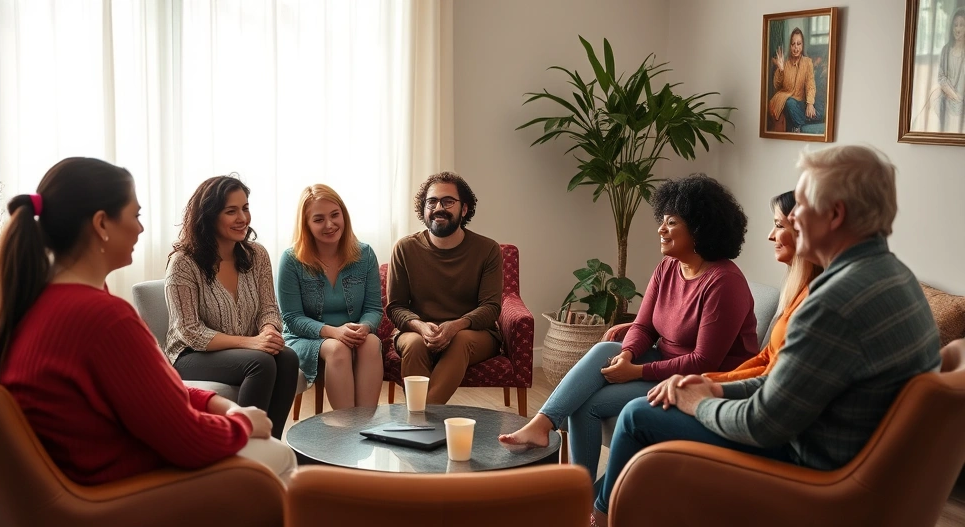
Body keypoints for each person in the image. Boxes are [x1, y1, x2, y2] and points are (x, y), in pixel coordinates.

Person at [590, 145, 941, 527]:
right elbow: (783, 382)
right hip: (839, 454)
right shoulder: (894, 277)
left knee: (638, 416)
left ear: (835, 215)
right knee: (653, 405)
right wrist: (716, 387)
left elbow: (763, 423)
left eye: (802, 206)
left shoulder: (833, 303)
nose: (790, 221)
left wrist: (697, 402)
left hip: (810, 474)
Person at [0, 158, 296, 489]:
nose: (141, 228)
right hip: (124, 498)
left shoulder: (35, 301)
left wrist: (216, 404)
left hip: (96, 486)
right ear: (102, 224)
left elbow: (152, 392)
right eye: (135, 215)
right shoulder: (104, 318)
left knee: (276, 392)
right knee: (279, 457)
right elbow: (187, 440)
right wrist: (240, 422)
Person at [499, 174, 758, 486]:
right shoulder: (669, 267)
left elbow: (704, 362)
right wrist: (628, 355)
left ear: (700, 227)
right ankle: (546, 427)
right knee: (607, 349)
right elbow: (644, 325)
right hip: (663, 363)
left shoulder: (723, 282)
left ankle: (587, 496)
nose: (661, 229)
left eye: (672, 222)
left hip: (700, 381)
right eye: (662, 220)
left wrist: (637, 372)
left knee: (588, 406)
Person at [165, 175, 298, 439]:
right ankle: (242, 446)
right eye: (231, 211)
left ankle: (269, 445)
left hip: (247, 348)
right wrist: (250, 343)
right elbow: (189, 331)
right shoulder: (183, 263)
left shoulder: (256, 254)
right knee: (260, 363)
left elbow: (269, 308)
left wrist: (269, 331)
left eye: (245, 208)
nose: (243, 218)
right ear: (209, 216)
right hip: (190, 355)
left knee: (287, 358)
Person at [386, 171, 502, 405]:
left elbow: (491, 307)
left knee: (460, 341)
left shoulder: (488, 249)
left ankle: (418, 421)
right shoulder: (405, 248)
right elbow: (396, 307)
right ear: (424, 208)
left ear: (465, 209)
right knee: (415, 344)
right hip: (416, 331)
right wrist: (419, 326)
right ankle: (424, 425)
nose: (439, 207)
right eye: (432, 201)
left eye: (448, 201)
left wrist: (455, 326)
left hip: (473, 334)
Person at [697, 191, 823, 384]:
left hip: (759, 400)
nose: (771, 236)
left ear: (804, 231)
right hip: (746, 390)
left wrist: (711, 386)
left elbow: (771, 378)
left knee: (638, 409)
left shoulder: (815, 301)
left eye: (779, 225)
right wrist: (712, 380)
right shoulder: (796, 293)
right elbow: (765, 357)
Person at [277, 184, 384, 409]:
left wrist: (364, 327)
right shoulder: (291, 260)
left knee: (372, 342)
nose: (330, 224)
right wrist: (333, 332)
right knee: (337, 349)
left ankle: (363, 425)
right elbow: (292, 318)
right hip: (306, 338)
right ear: (306, 224)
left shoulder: (365, 254)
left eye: (335, 215)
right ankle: (346, 430)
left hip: (353, 334)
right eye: (318, 219)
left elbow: (374, 308)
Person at [768, 27, 817, 133]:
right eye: (793, 44)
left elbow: (810, 84)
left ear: (802, 45)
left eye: (799, 44)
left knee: (817, 110)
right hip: (787, 101)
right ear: (790, 46)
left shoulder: (807, 62)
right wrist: (781, 69)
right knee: (789, 102)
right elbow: (777, 85)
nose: (796, 48)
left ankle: (801, 126)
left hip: (800, 103)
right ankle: (803, 127)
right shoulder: (784, 63)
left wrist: (810, 103)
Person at [936, 8, 965, 133]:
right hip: (947, 103)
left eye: (961, 25)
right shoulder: (946, 50)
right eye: (955, 25)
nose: (957, 29)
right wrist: (954, 96)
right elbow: (941, 77)